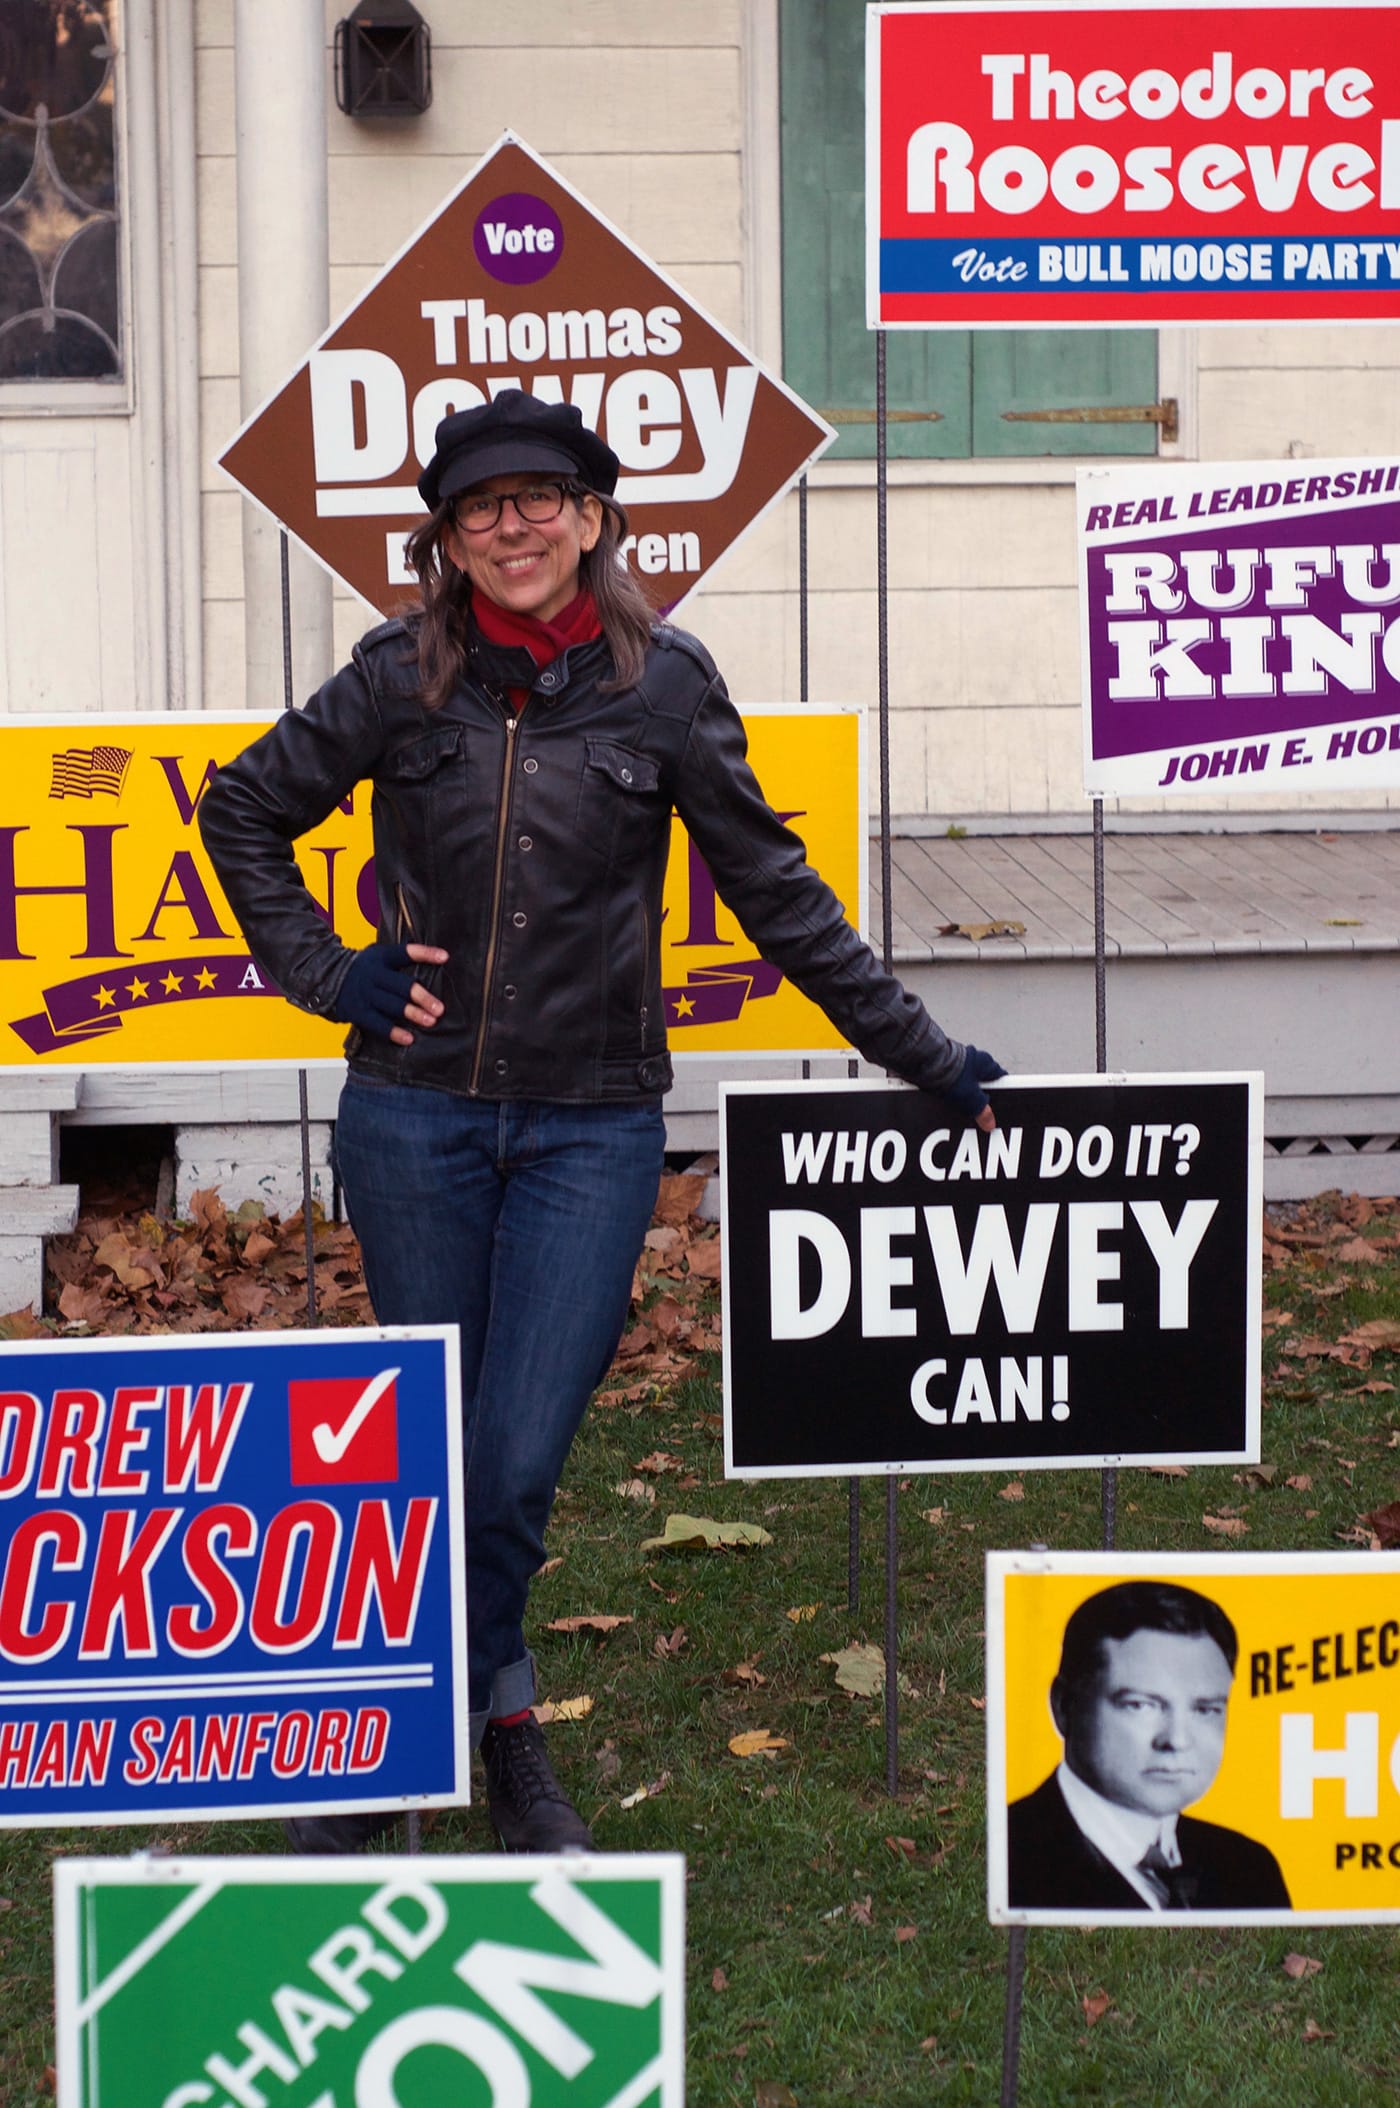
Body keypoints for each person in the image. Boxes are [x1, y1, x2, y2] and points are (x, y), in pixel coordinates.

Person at [200, 390, 1005, 1855]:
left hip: (589, 1133)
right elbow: (242, 810)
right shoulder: (399, 679)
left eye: (540, 499)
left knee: (513, 1464)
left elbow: (783, 898)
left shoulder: (667, 688)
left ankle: (437, 1726)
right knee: (423, 1459)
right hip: (414, 1125)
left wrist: (927, 1055)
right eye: (479, 508)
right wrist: (334, 975)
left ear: (592, 517)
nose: (513, 527)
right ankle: (479, 1732)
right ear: (446, 538)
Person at [1007, 1579, 1290, 1910]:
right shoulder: (1008, 1857)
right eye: (1140, 1705)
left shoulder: (1249, 1868)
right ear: (1064, 1706)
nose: (1176, 1740)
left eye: (1205, 1709)